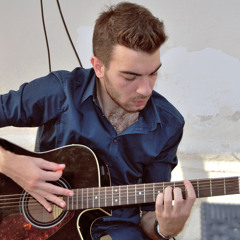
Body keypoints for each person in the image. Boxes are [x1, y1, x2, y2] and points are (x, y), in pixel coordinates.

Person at [0, 2, 196, 240]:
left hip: (121, 231)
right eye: (130, 76)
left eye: (153, 73)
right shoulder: (61, 91)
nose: (145, 90)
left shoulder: (169, 124)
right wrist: (9, 163)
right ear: (99, 67)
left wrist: (164, 229)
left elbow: (149, 216)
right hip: (44, 229)